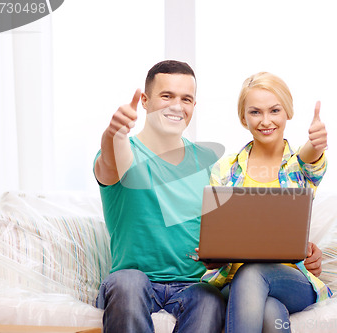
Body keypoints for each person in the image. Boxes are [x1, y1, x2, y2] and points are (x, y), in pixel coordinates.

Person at [93, 60, 225, 333]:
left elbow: (231, 229)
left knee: (211, 300)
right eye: (167, 96)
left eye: (186, 99)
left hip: (194, 285)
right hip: (133, 281)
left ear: (193, 106)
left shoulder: (208, 164)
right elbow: (111, 163)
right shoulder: (126, 152)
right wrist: (113, 133)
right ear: (145, 100)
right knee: (127, 283)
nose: (177, 106)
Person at [202, 72, 332, 333]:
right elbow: (217, 232)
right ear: (243, 118)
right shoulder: (225, 169)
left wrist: (315, 144)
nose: (265, 121)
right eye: (255, 112)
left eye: (274, 110)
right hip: (232, 281)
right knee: (270, 311)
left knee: (252, 274)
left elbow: (310, 160)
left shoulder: (298, 167)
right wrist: (211, 254)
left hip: (291, 279)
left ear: (288, 112)